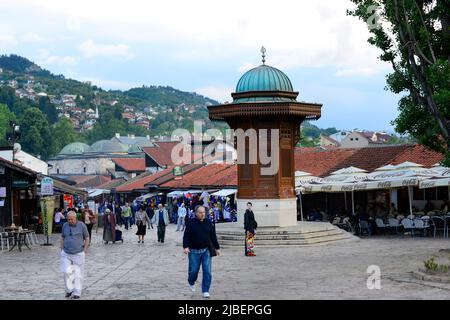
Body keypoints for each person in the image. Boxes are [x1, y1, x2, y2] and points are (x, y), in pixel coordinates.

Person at [183, 205, 220, 298]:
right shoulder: (191, 223)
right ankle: (191, 281)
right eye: (200, 212)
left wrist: (217, 248)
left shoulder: (208, 222)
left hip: (206, 251)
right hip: (193, 251)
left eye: (203, 212)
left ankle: (206, 290)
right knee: (193, 271)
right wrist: (186, 247)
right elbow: (186, 236)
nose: (202, 214)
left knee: (207, 271)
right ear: (196, 213)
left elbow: (213, 236)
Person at [60, 211, 89, 299]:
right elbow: (62, 237)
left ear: (75, 218)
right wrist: (61, 249)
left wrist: (85, 250)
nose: (70, 221)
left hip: (78, 253)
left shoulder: (81, 225)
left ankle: (77, 292)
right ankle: (69, 290)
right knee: (66, 272)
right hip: (66, 253)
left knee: (78, 273)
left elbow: (87, 238)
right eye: (68, 219)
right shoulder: (65, 225)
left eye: (72, 219)